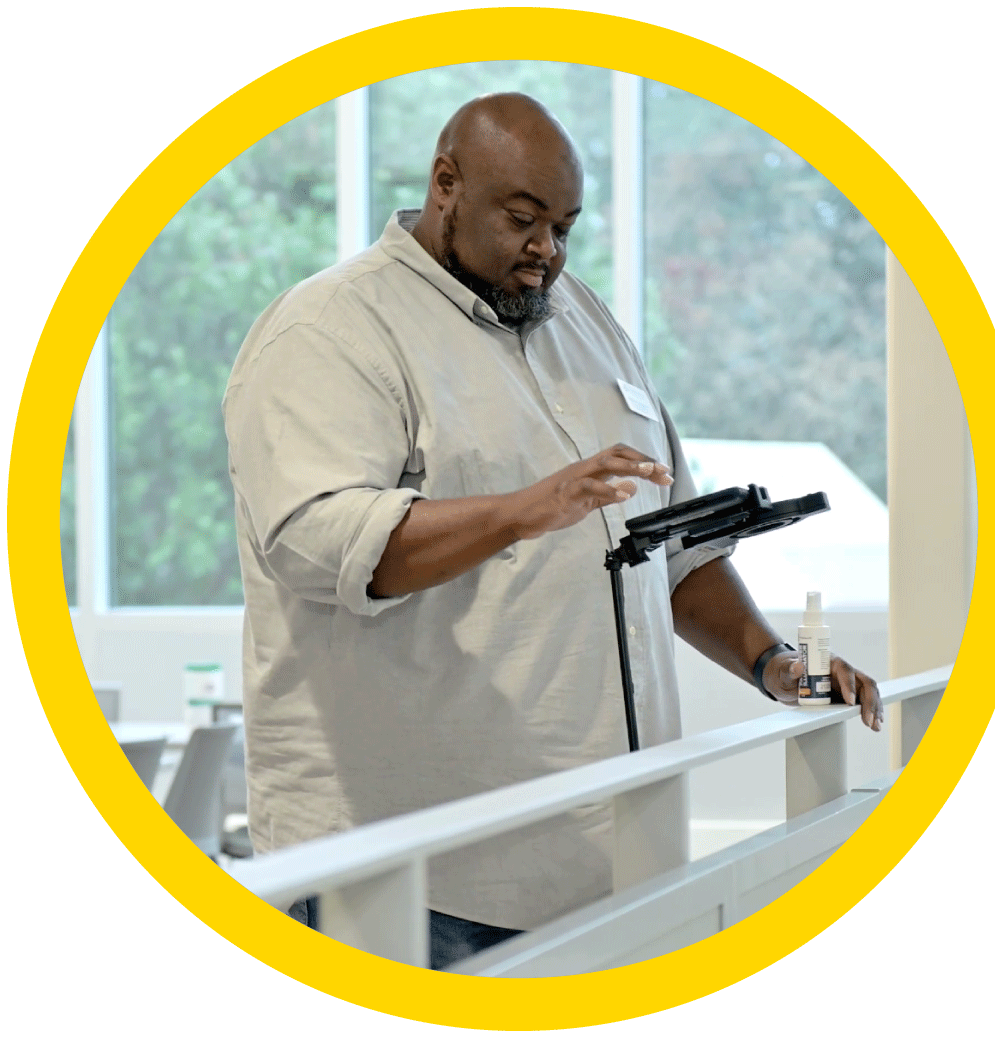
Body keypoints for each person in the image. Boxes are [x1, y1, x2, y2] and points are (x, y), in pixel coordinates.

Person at [223, 92, 883, 969]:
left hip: (618, 858)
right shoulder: (331, 329)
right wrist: (525, 510)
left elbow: (670, 545)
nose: (547, 251)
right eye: (523, 219)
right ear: (445, 184)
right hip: (413, 880)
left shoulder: (586, 323)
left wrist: (774, 665)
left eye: (565, 225)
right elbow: (323, 545)